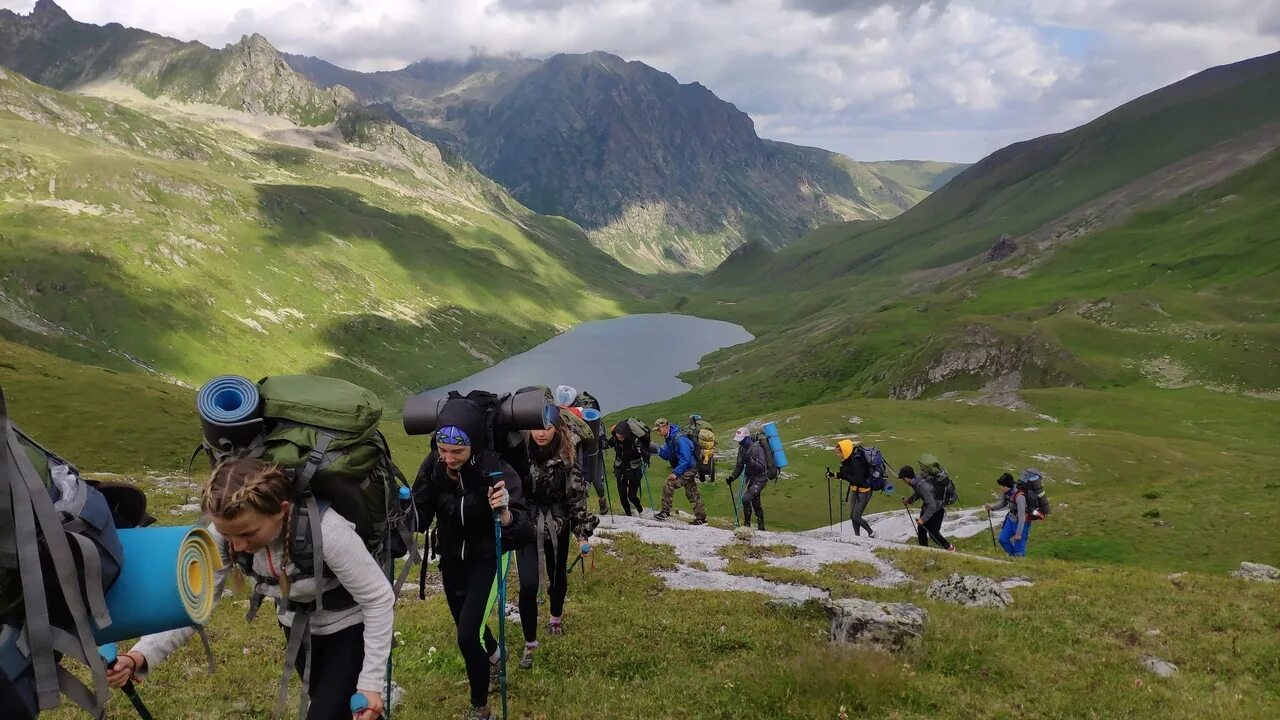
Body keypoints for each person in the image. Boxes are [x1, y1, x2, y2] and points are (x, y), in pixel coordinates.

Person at [106, 457, 395, 720]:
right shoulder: (223, 533)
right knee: (347, 710)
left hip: (348, 628)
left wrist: (370, 683)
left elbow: (378, 599)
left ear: (281, 511)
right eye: (230, 536)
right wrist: (140, 655)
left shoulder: (327, 532)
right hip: (297, 629)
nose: (239, 546)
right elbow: (193, 603)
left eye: (248, 533)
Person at [412, 398, 533, 720]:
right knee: (469, 623)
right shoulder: (433, 465)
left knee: (467, 634)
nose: (449, 459)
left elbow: (524, 530)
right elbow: (420, 516)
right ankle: (496, 656)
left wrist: (506, 513)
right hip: (452, 556)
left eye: (457, 452)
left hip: (489, 556)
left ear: (474, 445)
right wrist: (401, 513)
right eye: (443, 449)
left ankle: (481, 709)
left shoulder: (496, 468)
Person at [516, 412, 599, 668]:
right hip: (526, 525)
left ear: (557, 429)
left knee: (557, 575)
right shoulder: (517, 450)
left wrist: (582, 534)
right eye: (535, 427)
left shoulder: (567, 452)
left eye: (547, 428)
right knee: (528, 584)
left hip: (558, 523)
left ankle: (555, 619)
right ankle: (530, 642)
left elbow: (575, 494)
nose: (540, 433)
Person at [556, 384, 609, 514]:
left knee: (595, 480)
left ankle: (602, 500)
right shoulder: (565, 412)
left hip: (591, 451)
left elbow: (597, 432)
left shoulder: (584, 411)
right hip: (577, 451)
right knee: (580, 480)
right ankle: (581, 509)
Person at [651, 418, 706, 524]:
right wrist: (657, 450)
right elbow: (667, 455)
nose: (658, 432)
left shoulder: (679, 438)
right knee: (691, 492)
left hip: (689, 468)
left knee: (669, 484)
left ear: (665, 427)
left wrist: (676, 473)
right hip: (687, 468)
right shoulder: (669, 438)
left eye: (659, 430)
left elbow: (686, 458)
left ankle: (665, 512)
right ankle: (701, 518)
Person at [899, 464, 955, 551]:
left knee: (933, 532)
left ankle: (949, 547)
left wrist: (923, 519)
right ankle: (924, 550)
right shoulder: (917, 481)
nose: (903, 481)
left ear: (906, 478)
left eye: (903, 479)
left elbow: (932, 505)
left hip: (937, 509)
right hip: (929, 507)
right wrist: (909, 500)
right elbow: (919, 493)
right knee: (921, 529)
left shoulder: (920, 485)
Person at [725, 427, 768, 530]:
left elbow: (762, 467)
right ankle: (761, 527)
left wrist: (750, 461)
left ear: (747, 437)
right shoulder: (742, 449)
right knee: (755, 501)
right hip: (751, 479)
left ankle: (746, 524)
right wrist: (732, 477)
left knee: (746, 498)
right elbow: (739, 465)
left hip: (760, 478)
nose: (740, 442)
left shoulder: (757, 448)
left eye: (742, 440)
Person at [830, 440, 875, 537]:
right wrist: (833, 474)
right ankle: (857, 536)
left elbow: (857, 479)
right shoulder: (849, 458)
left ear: (844, 451)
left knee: (856, 516)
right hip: (855, 489)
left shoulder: (856, 460)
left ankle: (871, 533)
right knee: (852, 515)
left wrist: (845, 476)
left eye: (839, 452)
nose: (838, 455)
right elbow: (847, 474)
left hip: (864, 491)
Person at [606, 419, 648, 516]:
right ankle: (628, 515)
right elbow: (607, 444)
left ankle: (640, 510)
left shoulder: (635, 441)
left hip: (634, 471)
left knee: (632, 496)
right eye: (617, 435)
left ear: (626, 434)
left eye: (621, 436)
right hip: (620, 470)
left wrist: (643, 453)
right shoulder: (615, 439)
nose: (619, 438)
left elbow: (645, 452)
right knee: (622, 496)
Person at [985, 473, 1032, 557]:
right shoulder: (1006, 492)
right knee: (1002, 539)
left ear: (1009, 486)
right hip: (1011, 520)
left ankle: (1018, 560)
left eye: (1003, 486)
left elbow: (1022, 516)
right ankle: (1014, 556)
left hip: (1022, 524)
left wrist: (1019, 533)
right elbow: (1003, 503)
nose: (1001, 488)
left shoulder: (1020, 497)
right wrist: (991, 507)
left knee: (1019, 550)